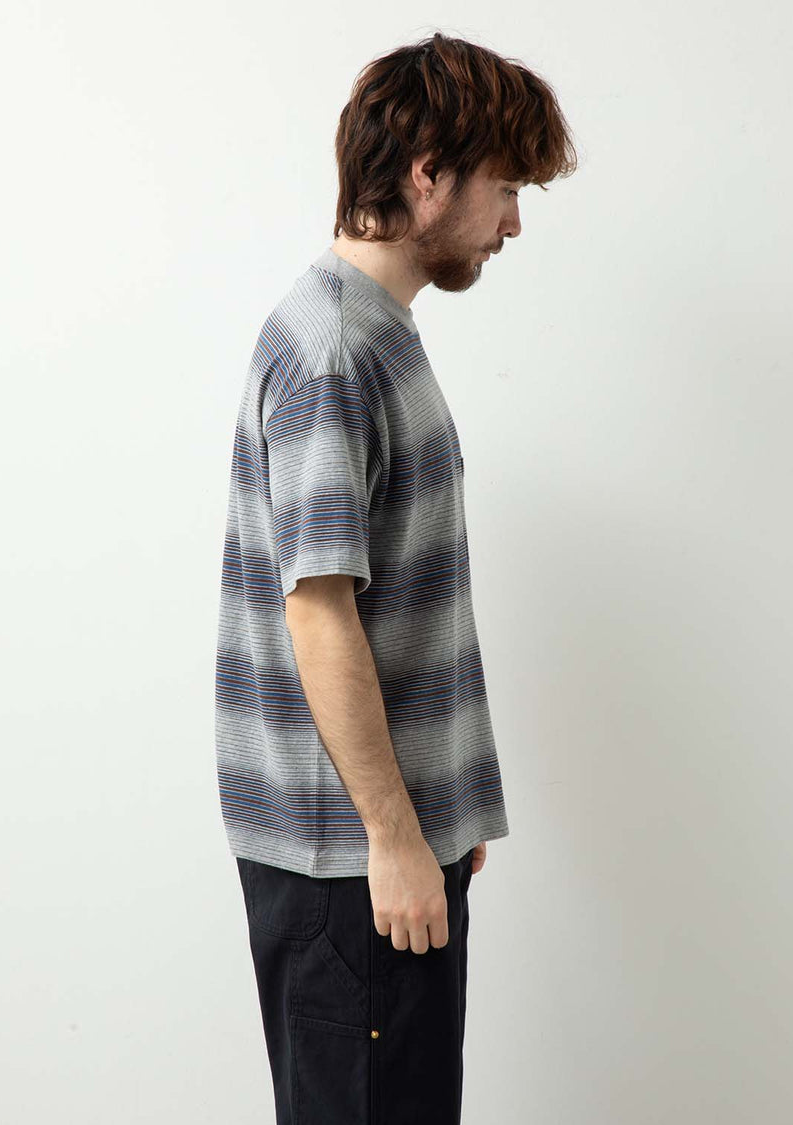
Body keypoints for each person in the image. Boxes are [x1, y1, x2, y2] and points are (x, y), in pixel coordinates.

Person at [213, 30, 577, 1124]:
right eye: (506, 186)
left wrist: (441, 813)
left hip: (381, 850)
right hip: (349, 866)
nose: (514, 222)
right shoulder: (332, 351)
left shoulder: (375, 331)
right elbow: (318, 613)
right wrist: (395, 834)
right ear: (427, 176)